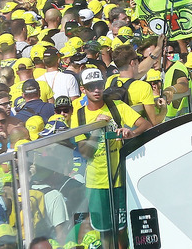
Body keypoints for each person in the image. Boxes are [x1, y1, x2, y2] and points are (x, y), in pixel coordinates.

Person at [71, 67, 151, 249]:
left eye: (99, 85)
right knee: (104, 232)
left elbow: (144, 124)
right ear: (83, 89)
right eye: (91, 87)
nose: (97, 90)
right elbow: (85, 153)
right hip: (96, 184)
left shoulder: (117, 106)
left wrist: (131, 133)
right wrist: (97, 128)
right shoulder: (80, 115)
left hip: (119, 180)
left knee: (122, 230)